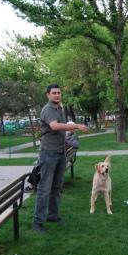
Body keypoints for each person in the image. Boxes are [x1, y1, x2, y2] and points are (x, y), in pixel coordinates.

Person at [32, 84, 89, 232]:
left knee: (57, 187)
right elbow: (55, 126)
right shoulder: (48, 109)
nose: (57, 95)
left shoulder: (59, 109)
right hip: (48, 153)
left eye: (59, 93)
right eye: (54, 93)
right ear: (48, 95)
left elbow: (62, 129)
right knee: (44, 189)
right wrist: (76, 126)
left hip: (60, 153)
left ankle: (53, 215)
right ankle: (38, 222)